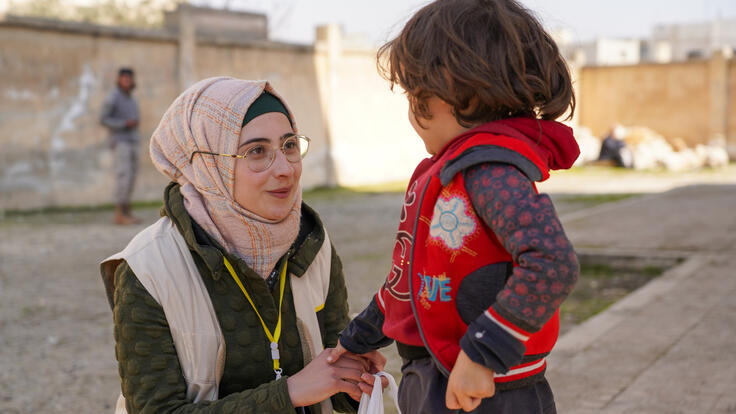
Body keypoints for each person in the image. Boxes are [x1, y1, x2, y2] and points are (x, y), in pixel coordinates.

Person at [328, 1, 581, 413]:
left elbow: (553, 264)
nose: (410, 112)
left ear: (450, 89)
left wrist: (484, 354)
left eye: (413, 93)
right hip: (436, 380)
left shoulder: (491, 172)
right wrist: (359, 337)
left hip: (487, 393)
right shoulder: (452, 171)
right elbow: (409, 278)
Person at [100, 77, 385, 414]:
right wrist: (288, 393)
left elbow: (328, 372)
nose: (285, 169)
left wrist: (352, 378)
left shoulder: (313, 246)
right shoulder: (147, 270)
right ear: (207, 166)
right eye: (257, 151)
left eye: (290, 145)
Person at [100, 67, 142, 225]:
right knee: (123, 176)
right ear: (119, 79)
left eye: (129, 78)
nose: (127, 81)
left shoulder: (132, 98)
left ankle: (127, 211)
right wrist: (124, 124)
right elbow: (103, 119)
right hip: (120, 142)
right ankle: (119, 214)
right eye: (124, 78)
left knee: (132, 176)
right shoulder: (112, 97)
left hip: (133, 141)